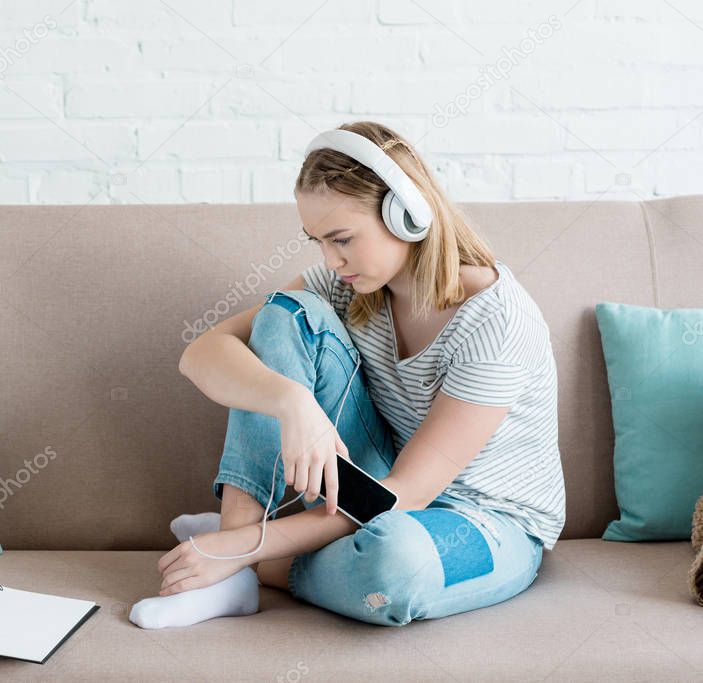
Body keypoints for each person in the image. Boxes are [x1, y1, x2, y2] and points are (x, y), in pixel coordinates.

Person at [128, 120, 565, 630]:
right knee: (283, 313)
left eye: (342, 239)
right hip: (378, 486)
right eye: (318, 242)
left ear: (407, 216)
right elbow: (202, 353)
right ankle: (236, 565)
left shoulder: (495, 319)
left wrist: (239, 545)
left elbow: (407, 494)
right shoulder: (346, 287)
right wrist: (290, 401)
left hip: (486, 520)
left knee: (396, 572)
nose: (332, 261)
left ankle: (241, 553)